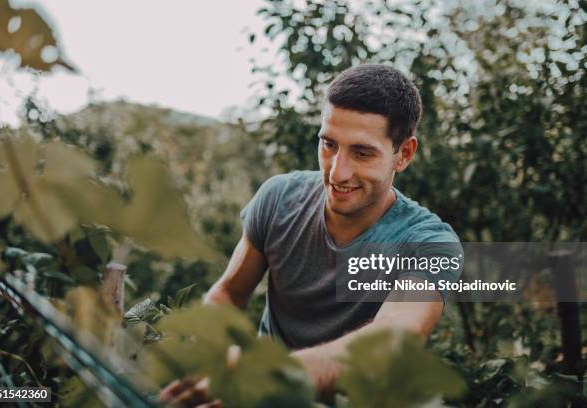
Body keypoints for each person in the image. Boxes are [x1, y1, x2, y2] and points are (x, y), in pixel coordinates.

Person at [159, 64, 462, 406]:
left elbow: (396, 336)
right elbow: (228, 294)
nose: (337, 171)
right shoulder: (278, 199)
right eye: (329, 145)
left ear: (403, 154)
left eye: (362, 153)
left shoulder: (430, 242)